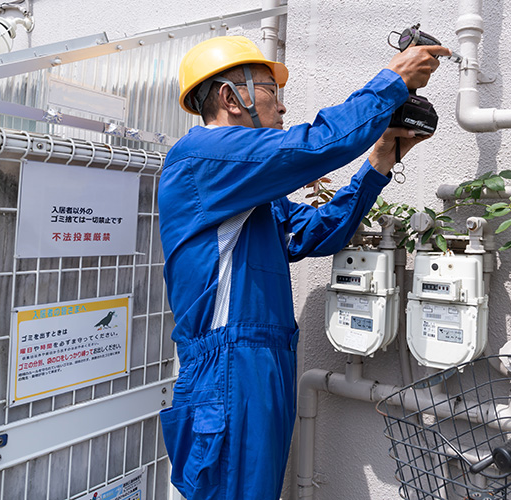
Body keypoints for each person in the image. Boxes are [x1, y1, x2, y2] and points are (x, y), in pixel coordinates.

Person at [157, 35, 448, 500]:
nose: (284, 109)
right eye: (273, 93)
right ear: (232, 99)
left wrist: (378, 163)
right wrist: (393, 81)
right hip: (229, 367)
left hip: (259, 362)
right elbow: (313, 146)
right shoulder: (202, 159)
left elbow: (315, 232)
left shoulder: (245, 189)